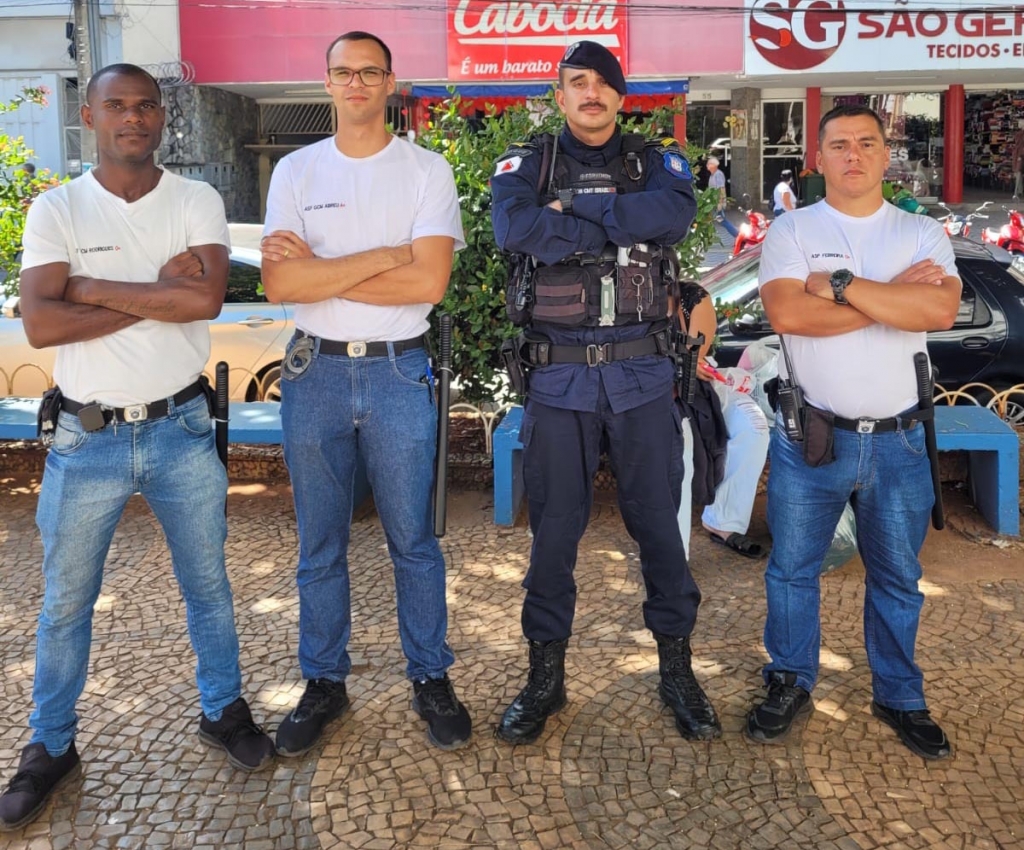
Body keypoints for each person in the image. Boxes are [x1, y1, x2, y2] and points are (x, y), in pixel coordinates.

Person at [0, 63, 275, 833]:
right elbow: (41, 327)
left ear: (163, 118)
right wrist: (151, 291)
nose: (133, 117)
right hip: (85, 439)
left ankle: (221, 709)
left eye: (147, 105)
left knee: (209, 588)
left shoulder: (197, 200)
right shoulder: (56, 208)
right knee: (63, 607)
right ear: (89, 114)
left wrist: (87, 288)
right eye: (116, 105)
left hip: (183, 430)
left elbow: (204, 298)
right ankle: (50, 747)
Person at [490, 41, 721, 745]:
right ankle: (545, 678)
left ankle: (677, 672)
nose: (591, 93)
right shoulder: (527, 165)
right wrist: (618, 214)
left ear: (623, 97)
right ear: (559, 95)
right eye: (577, 82)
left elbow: (674, 217)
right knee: (554, 536)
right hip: (558, 384)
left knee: (659, 529)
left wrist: (573, 217)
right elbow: (513, 226)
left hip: (644, 379)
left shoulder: (659, 165)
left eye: (604, 84)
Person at [259, 31, 471, 755]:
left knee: (413, 539)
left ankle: (430, 675)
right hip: (313, 372)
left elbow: (429, 283)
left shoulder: (425, 171)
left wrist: (331, 265)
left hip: (398, 372)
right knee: (319, 543)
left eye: (369, 72)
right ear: (326, 82)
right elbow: (284, 284)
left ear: (389, 83)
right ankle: (323, 682)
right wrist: (387, 255)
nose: (355, 83)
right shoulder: (294, 171)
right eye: (343, 72)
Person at [745, 105, 960, 760]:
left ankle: (899, 694)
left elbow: (939, 309)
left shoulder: (921, 233)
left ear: (885, 153)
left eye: (867, 142)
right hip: (813, 436)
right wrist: (885, 296)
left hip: (898, 441)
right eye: (839, 144)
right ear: (819, 158)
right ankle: (790, 678)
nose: (854, 154)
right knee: (790, 571)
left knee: (897, 575)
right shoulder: (792, 231)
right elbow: (788, 314)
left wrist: (838, 288)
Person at [674, 286, 769, 561]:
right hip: (651, 392)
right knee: (678, 439)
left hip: (699, 386)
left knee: (753, 425)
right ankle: (674, 557)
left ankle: (725, 521)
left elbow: (695, 356)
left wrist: (685, 364)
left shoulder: (691, 296)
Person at [707, 156, 739, 238]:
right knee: (715, 220)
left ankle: (737, 235)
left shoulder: (718, 174)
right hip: (713, 203)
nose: (707, 165)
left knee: (722, 220)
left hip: (718, 202)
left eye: (709, 164)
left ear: (714, 165)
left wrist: (720, 203)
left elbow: (721, 189)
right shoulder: (712, 175)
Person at [1011, 118, 1024, 200]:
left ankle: (1018, 192)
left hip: (1020, 155)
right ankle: (1019, 192)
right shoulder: (1019, 134)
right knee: (1018, 174)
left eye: (1020, 123)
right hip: (1020, 155)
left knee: (1018, 174)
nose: (1019, 125)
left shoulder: (1020, 134)